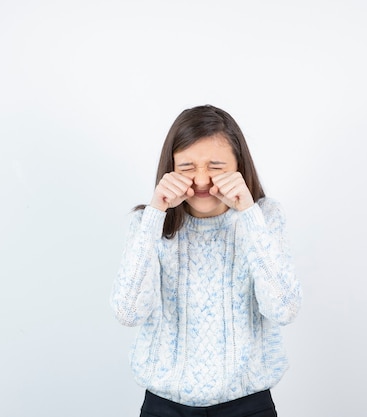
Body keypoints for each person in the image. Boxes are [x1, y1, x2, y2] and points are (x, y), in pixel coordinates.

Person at [111, 105, 302, 417]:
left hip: (247, 405)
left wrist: (249, 214)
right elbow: (129, 312)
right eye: (187, 167)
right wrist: (155, 215)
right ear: (170, 169)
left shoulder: (265, 217)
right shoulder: (148, 224)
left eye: (215, 166)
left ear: (240, 166)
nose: (201, 180)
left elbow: (284, 309)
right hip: (164, 406)